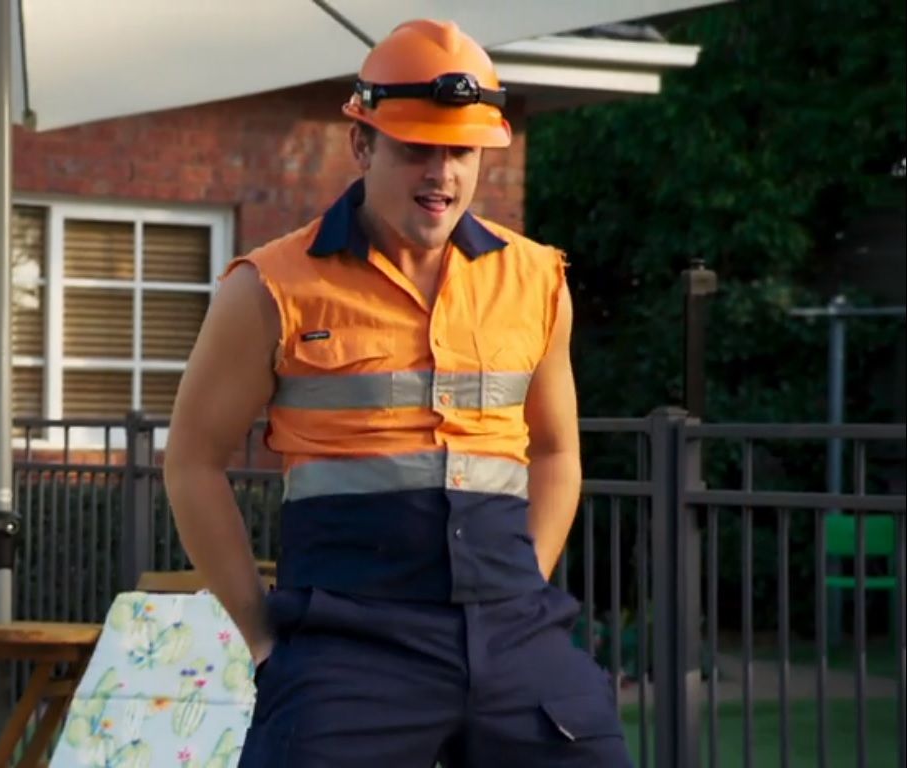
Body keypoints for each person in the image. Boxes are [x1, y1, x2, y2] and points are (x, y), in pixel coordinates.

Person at [163, 17, 631, 767]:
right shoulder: (269, 287)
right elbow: (192, 462)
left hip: (515, 630)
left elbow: (555, 452)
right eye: (416, 149)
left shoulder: (538, 279)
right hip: (349, 644)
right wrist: (261, 638)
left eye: (461, 152)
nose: (441, 174)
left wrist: (525, 585)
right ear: (362, 143)